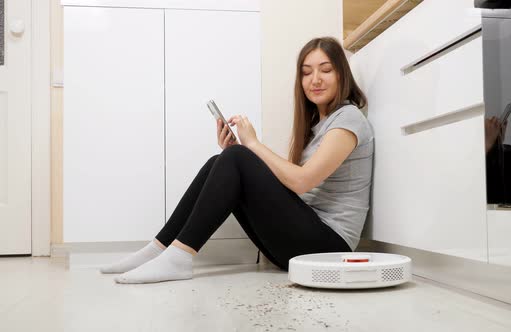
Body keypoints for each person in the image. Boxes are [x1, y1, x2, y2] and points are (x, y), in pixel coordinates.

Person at [100, 37, 374, 284]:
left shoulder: (348, 118)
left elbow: (302, 182)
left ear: (342, 75)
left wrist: (251, 145)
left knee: (237, 156)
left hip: (329, 247)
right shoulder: (318, 124)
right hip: (303, 244)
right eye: (306, 72)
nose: (315, 79)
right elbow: (293, 188)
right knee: (218, 162)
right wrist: (234, 161)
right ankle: (158, 250)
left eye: (325, 70)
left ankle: (178, 258)